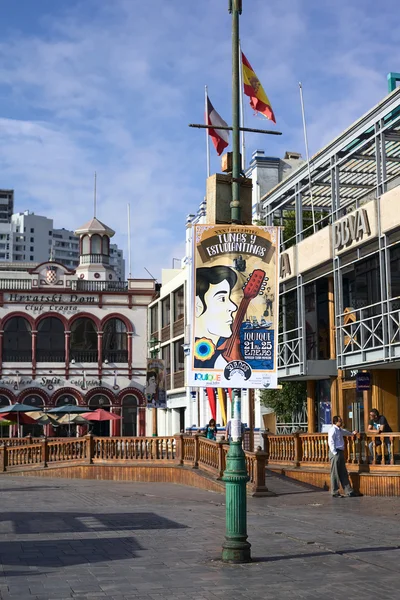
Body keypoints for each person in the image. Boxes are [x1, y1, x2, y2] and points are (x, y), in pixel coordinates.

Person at [194, 266, 238, 369]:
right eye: (222, 298)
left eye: (229, 298)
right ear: (197, 307)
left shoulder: (219, 360)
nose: (233, 307)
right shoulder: (217, 362)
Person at [328, 415, 357, 498]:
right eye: (340, 421)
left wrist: (352, 433)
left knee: (343, 472)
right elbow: (331, 441)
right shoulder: (332, 430)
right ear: (335, 422)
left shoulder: (339, 430)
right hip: (335, 452)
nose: (341, 422)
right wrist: (334, 452)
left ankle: (349, 491)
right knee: (335, 472)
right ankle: (335, 492)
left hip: (340, 451)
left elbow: (345, 432)